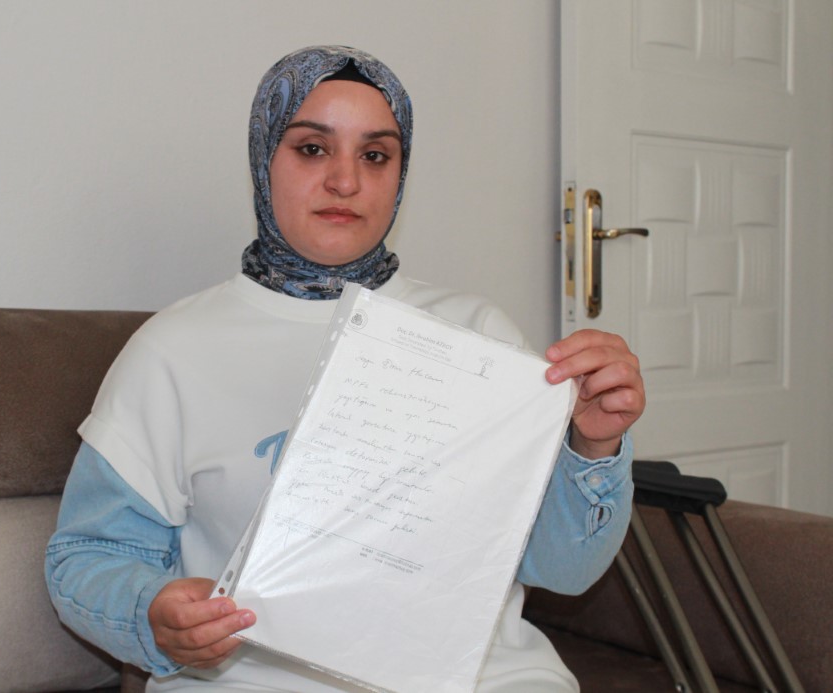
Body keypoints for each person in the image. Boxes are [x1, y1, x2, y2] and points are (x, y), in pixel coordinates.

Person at [46, 45, 645, 692]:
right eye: (312, 149)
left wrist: (592, 446)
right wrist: (154, 615)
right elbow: (89, 555)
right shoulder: (174, 349)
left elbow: (563, 571)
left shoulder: (479, 336)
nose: (345, 181)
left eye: (375, 155)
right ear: (263, 160)